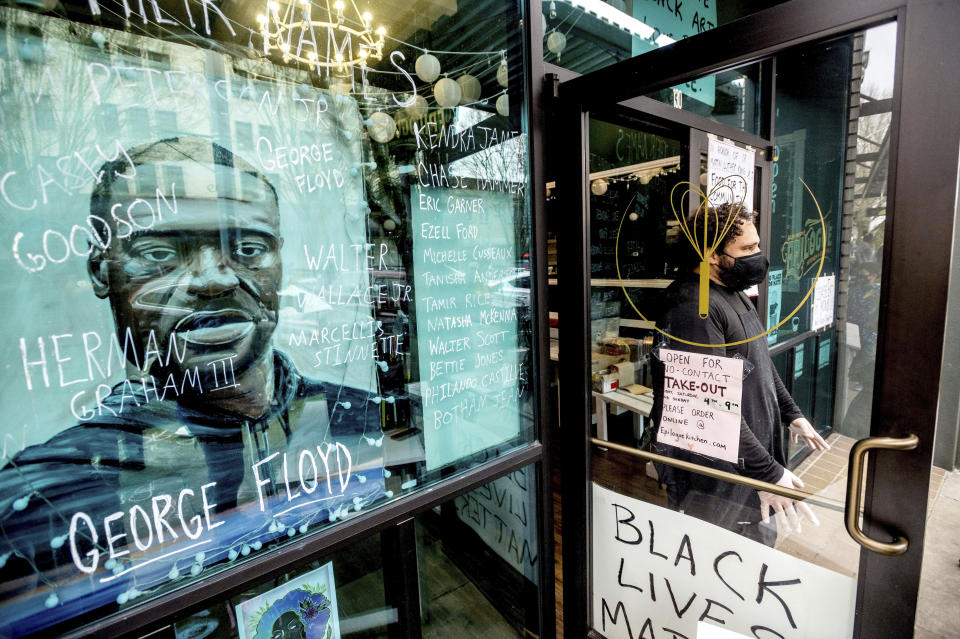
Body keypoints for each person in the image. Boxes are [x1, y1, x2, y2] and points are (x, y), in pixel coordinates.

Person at [0, 137, 382, 608]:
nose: (213, 278)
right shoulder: (40, 498)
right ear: (101, 271)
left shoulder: (363, 419)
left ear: (279, 259)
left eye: (247, 247)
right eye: (159, 253)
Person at [651, 202, 828, 546]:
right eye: (747, 249)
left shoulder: (732, 292)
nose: (757, 255)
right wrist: (767, 474)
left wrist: (792, 414)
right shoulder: (693, 307)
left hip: (748, 461)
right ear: (711, 255)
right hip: (717, 478)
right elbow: (707, 406)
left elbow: (758, 361)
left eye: (757, 245)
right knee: (720, 565)